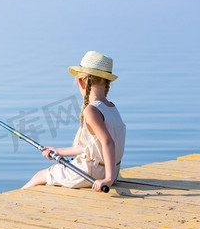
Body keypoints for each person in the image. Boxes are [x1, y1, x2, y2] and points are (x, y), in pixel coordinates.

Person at [22, 51, 126, 192]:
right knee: (46, 175)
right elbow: (92, 147)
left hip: (92, 173)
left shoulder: (91, 110)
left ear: (82, 82)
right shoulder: (111, 108)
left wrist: (108, 179)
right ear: (106, 82)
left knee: (40, 176)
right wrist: (58, 151)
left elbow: (108, 142)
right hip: (110, 171)